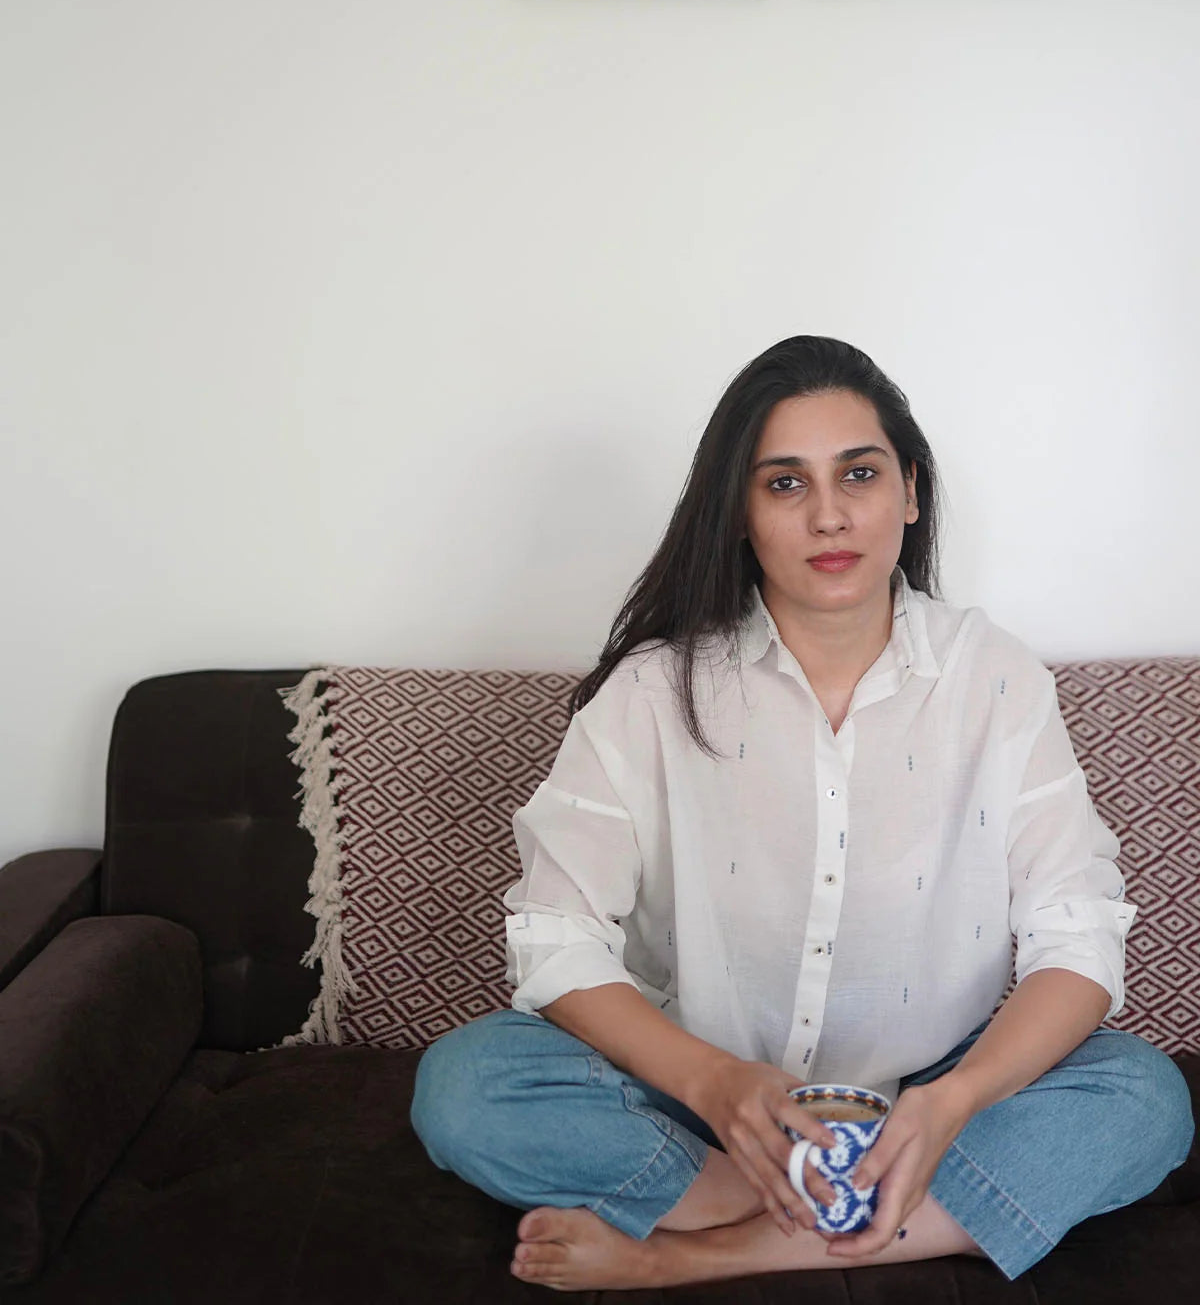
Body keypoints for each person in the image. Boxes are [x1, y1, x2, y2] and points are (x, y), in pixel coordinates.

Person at [411, 336, 1194, 1293]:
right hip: (708, 1100)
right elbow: (553, 937)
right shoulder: (655, 693)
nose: (829, 514)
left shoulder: (995, 678)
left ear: (908, 491)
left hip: (923, 1101)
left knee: (1144, 1099)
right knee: (465, 1084)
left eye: (858, 474)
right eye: (784, 484)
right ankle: (877, 1207)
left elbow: (1078, 937)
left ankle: (704, 1252)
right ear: (739, 513)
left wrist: (953, 1103)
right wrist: (711, 1082)